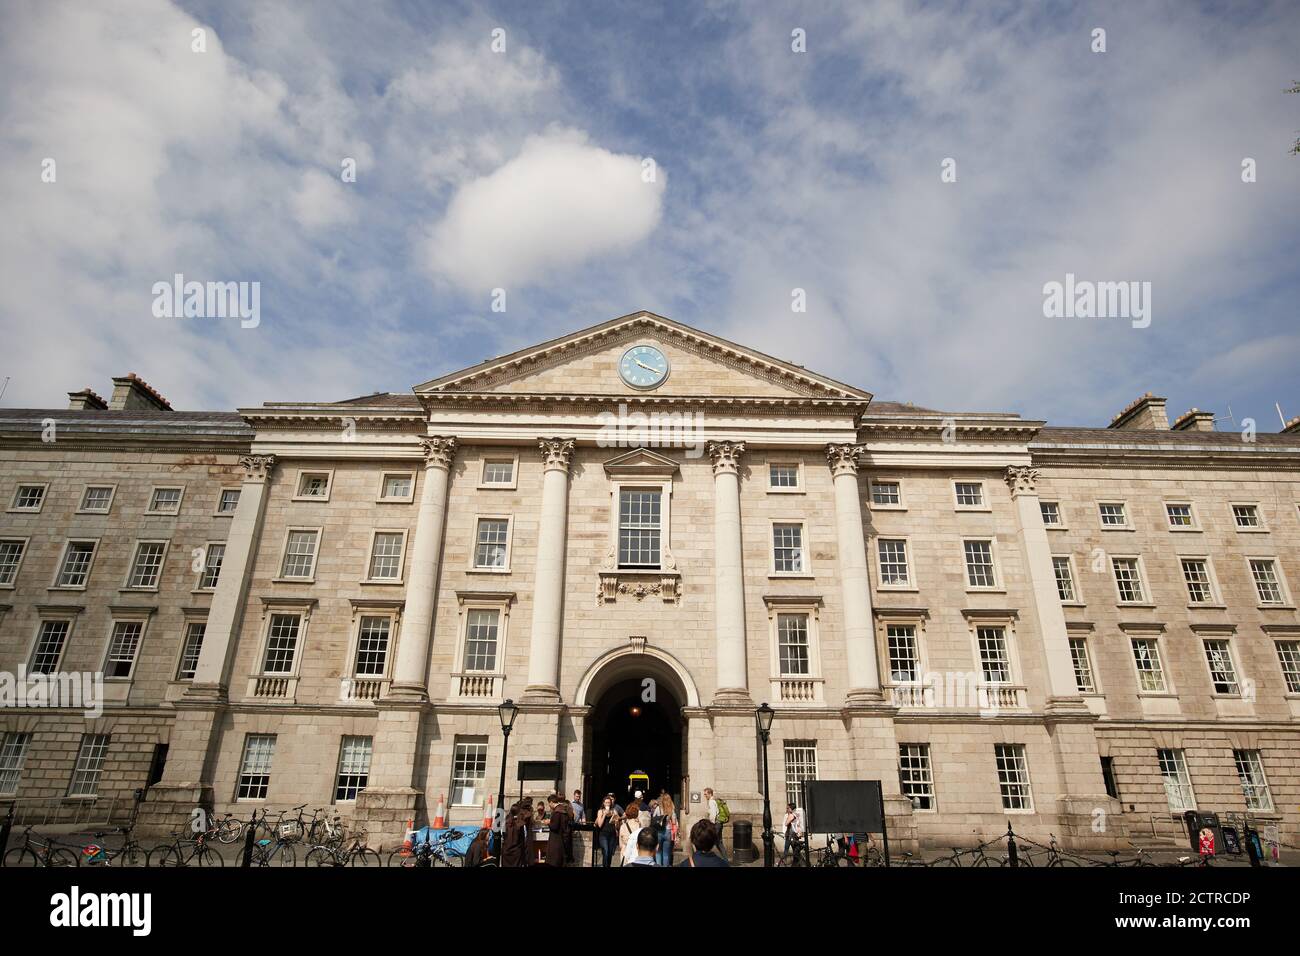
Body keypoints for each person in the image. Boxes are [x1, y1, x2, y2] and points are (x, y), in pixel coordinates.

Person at [546, 793, 573, 867]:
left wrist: (548, 822)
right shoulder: (563, 809)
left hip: (556, 840)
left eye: (549, 803)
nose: (549, 805)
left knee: (555, 861)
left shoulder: (557, 812)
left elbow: (554, 827)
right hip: (562, 839)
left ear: (551, 802)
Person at [652, 792, 678, 866]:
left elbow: (653, 818)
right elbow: (674, 822)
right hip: (667, 831)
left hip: (659, 832)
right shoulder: (672, 809)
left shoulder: (658, 808)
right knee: (666, 854)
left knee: (658, 852)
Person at [595, 794, 620, 868]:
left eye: (609, 802)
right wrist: (604, 815)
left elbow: (617, 825)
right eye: (606, 802)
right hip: (603, 834)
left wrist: (616, 820)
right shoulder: (600, 811)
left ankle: (608, 865)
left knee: (609, 853)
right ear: (603, 803)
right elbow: (599, 824)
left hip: (612, 834)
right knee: (605, 851)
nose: (607, 804)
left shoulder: (614, 811)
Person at [618, 800, 642, 865]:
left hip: (625, 854)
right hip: (636, 854)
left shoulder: (623, 826)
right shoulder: (639, 825)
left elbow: (620, 845)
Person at [704, 787, 726, 856]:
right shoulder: (714, 801)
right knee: (719, 843)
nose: (705, 796)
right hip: (719, 823)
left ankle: (704, 858)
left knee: (709, 840)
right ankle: (726, 861)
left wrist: (711, 825)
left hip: (715, 824)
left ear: (710, 794)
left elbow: (713, 814)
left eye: (706, 794)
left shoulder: (711, 801)